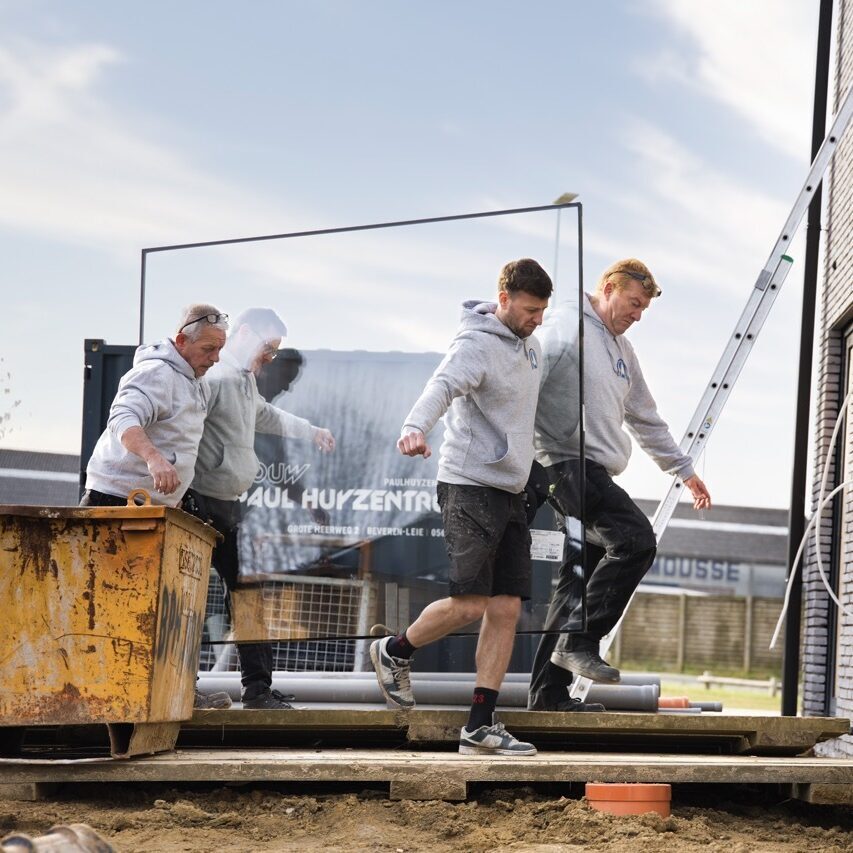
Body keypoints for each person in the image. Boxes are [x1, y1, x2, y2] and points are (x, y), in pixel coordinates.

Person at [370, 258, 552, 757]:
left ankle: (479, 725)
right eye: (531, 309)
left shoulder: (532, 349)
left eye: (543, 311)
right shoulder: (475, 344)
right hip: (469, 485)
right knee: (471, 604)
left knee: (507, 607)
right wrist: (414, 426)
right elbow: (442, 386)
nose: (537, 319)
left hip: (511, 491)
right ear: (505, 299)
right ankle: (393, 651)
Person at [527, 258, 712, 712]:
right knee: (635, 541)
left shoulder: (623, 353)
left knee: (576, 582)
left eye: (644, 308)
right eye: (633, 303)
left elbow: (645, 417)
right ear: (609, 288)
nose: (638, 315)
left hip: (593, 470)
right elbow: (526, 382)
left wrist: (683, 469)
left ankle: (547, 696)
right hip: (565, 465)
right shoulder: (568, 327)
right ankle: (580, 641)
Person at [81, 304, 232, 711]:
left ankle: (176, 690)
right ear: (181, 340)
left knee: (169, 605)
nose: (215, 358)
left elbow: (179, 438)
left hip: (156, 507)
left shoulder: (194, 377)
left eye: (220, 349)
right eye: (208, 349)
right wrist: (153, 459)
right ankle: (100, 695)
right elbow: (123, 417)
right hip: (117, 502)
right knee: (111, 605)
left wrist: (176, 490)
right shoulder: (157, 373)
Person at [186, 308, 336, 710]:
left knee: (248, 595)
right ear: (247, 333)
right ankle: (185, 687)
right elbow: (182, 429)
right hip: (198, 504)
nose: (270, 359)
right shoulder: (213, 378)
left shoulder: (245, 380)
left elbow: (264, 415)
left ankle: (257, 689)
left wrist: (311, 431)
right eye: (268, 349)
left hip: (229, 506)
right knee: (190, 598)